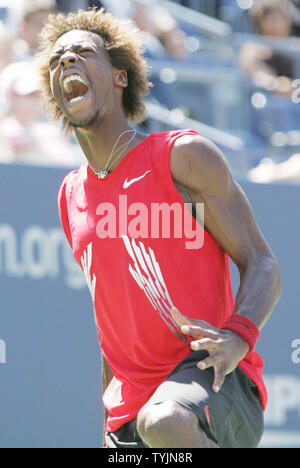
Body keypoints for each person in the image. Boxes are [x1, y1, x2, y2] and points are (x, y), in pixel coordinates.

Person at [35, 8, 282, 448]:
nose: (66, 62)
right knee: (154, 424)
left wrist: (237, 337)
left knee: (164, 422)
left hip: (215, 376)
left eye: (82, 53)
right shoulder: (69, 193)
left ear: (119, 77)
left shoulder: (182, 156)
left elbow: (263, 263)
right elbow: (111, 317)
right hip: (131, 405)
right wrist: (108, 407)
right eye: (57, 59)